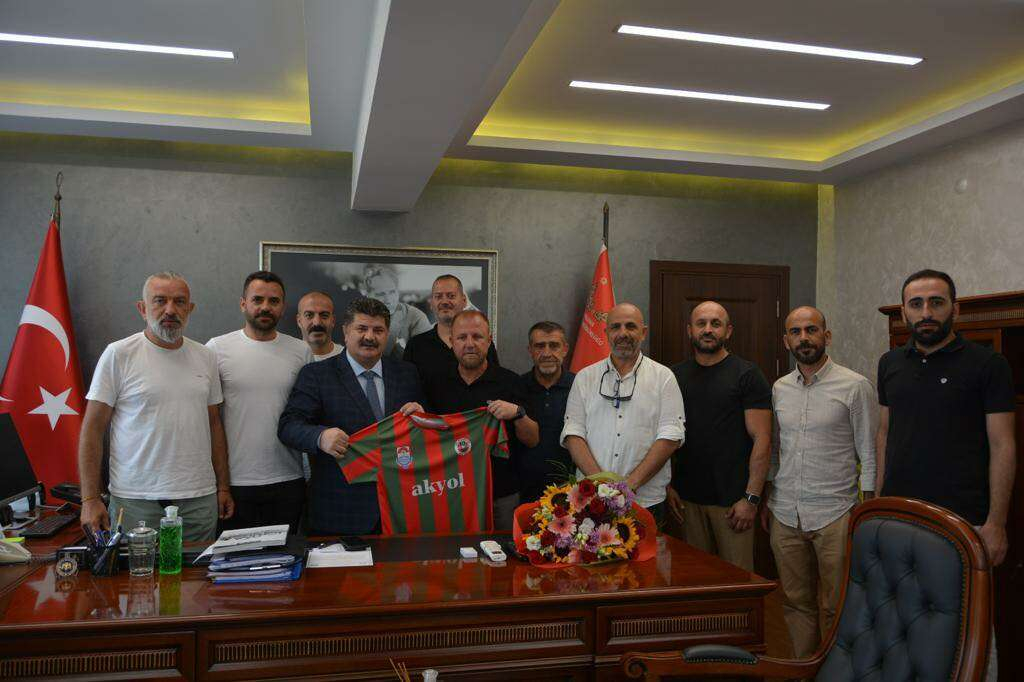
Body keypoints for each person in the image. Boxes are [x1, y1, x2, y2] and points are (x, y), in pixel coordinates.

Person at [877, 269, 1015, 681]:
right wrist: (878, 505)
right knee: (904, 622)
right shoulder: (889, 363)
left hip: (964, 522)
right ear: (904, 311)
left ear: (956, 309)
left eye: (936, 303)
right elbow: (884, 434)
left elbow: (1003, 445)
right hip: (901, 517)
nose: (926, 313)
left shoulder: (988, 364)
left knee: (969, 629)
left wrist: (996, 524)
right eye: (916, 304)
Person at [77, 271, 232, 542]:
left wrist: (223, 487)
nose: (170, 310)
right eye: (160, 301)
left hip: (198, 500)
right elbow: (92, 429)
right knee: (136, 571)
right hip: (135, 501)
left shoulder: (206, 357)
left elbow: (214, 424)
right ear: (142, 308)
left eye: (179, 302)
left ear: (190, 309)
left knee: (196, 571)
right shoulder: (119, 354)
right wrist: (90, 499)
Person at [765, 306, 877, 657]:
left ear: (826, 336)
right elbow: (776, 449)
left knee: (836, 604)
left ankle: (835, 671)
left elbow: (869, 453)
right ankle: (804, 670)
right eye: (795, 332)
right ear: (786, 341)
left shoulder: (855, 386)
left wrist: (867, 510)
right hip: (786, 513)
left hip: (836, 514)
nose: (804, 338)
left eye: (811, 330)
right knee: (795, 602)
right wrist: (769, 496)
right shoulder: (780, 388)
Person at [278, 297, 425, 535]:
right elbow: (288, 426)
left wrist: (422, 419)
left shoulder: (407, 374)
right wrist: (320, 437)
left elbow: (425, 432)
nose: (370, 337)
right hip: (341, 511)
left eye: (378, 330)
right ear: (346, 332)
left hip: (401, 508)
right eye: (361, 328)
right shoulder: (317, 375)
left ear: (387, 334)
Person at [667, 301, 771, 572]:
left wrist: (751, 499)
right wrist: (667, 486)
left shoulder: (748, 375)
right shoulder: (673, 377)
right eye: (701, 323)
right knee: (693, 580)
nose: (708, 330)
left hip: (734, 504)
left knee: (737, 582)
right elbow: (664, 436)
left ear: (728, 331)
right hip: (687, 502)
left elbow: (762, 439)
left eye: (716, 324)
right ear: (689, 330)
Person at [206, 271, 313, 533]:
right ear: (243, 303)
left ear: (283, 307)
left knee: (285, 556)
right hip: (234, 483)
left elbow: (309, 417)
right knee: (234, 558)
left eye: (273, 301)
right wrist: (221, 485)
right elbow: (209, 421)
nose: (265, 307)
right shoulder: (216, 349)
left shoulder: (301, 351)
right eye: (257, 299)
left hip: (288, 479)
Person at [561, 303, 684, 523]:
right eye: (616, 327)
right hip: (592, 499)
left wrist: (628, 487)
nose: (623, 333)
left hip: (645, 502)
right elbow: (573, 434)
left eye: (631, 326)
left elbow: (670, 437)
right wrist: (601, 486)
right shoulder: (585, 377)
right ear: (606, 332)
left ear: (643, 332)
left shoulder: (663, 377)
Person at [426, 310, 539, 530]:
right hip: (451, 492)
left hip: (501, 495)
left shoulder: (511, 382)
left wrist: (518, 413)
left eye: (477, 337)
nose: (470, 344)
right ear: (451, 341)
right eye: (462, 337)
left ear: (489, 341)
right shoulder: (434, 384)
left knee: (506, 550)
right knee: (453, 551)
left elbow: (532, 439)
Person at [516, 321, 575, 503]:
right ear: (530, 350)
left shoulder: (580, 386)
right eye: (540, 346)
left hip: (574, 490)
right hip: (525, 491)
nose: (547, 353)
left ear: (565, 349)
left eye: (554, 345)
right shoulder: (516, 386)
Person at [403, 275, 498, 387]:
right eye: (438, 296)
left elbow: (495, 383)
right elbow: (406, 388)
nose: (444, 301)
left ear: (464, 301)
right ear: (431, 303)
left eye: (451, 296)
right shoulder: (415, 345)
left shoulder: (481, 344)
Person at [360, 264, 432, 360]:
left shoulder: (416, 317)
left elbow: (426, 358)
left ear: (398, 291)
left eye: (392, 292)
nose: (388, 300)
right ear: (368, 296)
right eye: (381, 294)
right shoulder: (359, 318)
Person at [297, 290, 342, 360]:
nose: (317, 323)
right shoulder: (287, 358)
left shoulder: (348, 358)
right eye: (309, 315)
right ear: (299, 321)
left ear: (333, 321)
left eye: (324, 315)